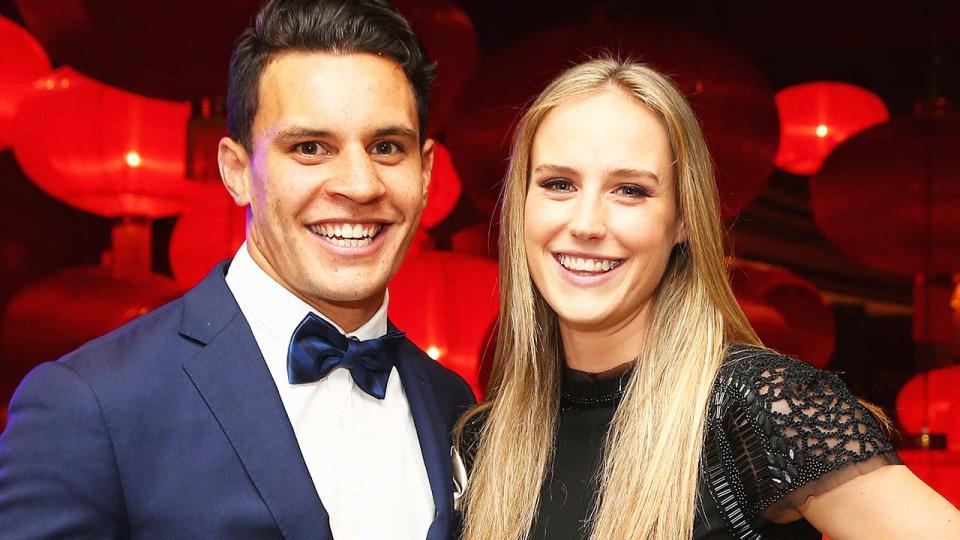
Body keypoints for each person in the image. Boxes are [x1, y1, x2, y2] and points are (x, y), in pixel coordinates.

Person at [0, 1, 474, 538]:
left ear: (426, 171)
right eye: (311, 148)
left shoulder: (452, 404)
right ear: (236, 172)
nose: (360, 185)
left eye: (387, 147)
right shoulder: (91, 403)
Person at [454, 57, 960, 539]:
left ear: (682, 220)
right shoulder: (488, 439)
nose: (586, 224)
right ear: (521, 207)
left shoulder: (758, 408)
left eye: (630, 190)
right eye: (558, 184)